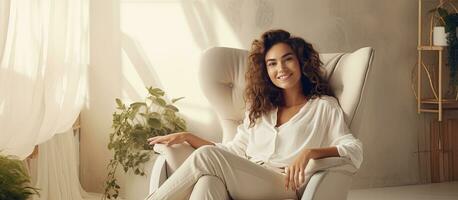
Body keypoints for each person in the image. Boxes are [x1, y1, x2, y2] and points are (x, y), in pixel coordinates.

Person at [145, 29, 363, 200]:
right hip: (248, 177)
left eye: (288, 59)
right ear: (266, 72)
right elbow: (233, 151)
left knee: (206, 159)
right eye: (272, 64)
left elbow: (353, 150)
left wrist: (310, 153)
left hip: (283, 185)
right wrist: (188, 137)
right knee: (209, 182)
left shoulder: (323, 107)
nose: (281, 68)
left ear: (300, 62)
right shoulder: (261, 110)